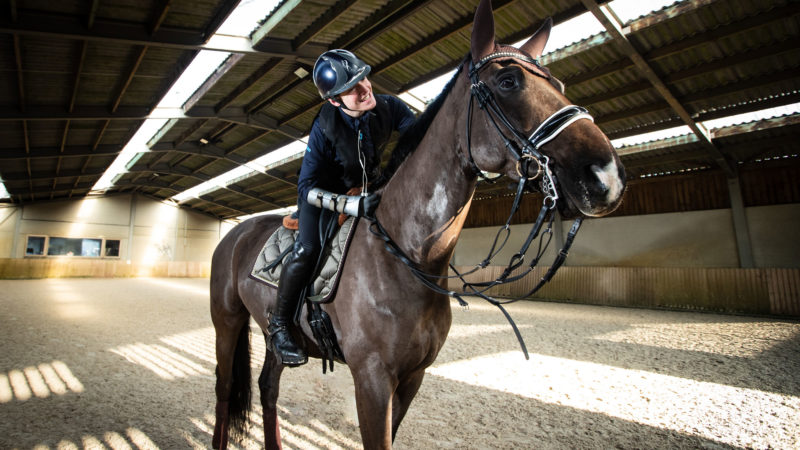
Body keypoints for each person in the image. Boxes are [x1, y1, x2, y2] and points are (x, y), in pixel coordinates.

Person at [269, 49, 416, 366]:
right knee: (307, 250)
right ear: (334, 100)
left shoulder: (389, 106)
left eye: (364, 78)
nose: (365, 89)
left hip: (367, 191)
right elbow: (305, 187)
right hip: (322, 197)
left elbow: (420, 137)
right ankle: (279, 327)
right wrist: (349, 204)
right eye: (353, 88)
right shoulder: (324, 127)